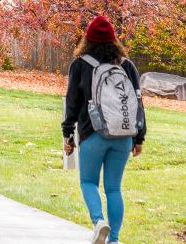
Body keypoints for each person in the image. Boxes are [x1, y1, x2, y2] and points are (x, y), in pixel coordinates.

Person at [63, 15, 146, 244]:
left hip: (93, 134)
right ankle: (115, 239)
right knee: (113, 188)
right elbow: (138, 103)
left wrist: (68, 134)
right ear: (114, 40)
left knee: (88, 182)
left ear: (87, 39)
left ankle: (99, 222)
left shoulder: (80, 64)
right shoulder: (126, 65)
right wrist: (139, 138)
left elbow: (72, 103)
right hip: (123, 136)